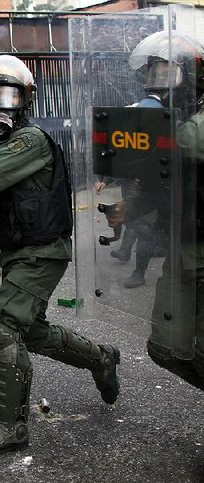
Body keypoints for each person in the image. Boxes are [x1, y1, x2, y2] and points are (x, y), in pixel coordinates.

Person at [0, 55, 120, 455]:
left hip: (42, 249)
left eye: (9, 95)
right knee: (31, 330)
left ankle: (12, 426)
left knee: (3, 321)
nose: (1, 103)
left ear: (25, 99)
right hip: (19, 248)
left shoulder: (28, 139)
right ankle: (101, 358)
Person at [106, 30, 204, 390]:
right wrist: (129, 206)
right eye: (153, 75)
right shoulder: (172, 123)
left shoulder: (191, 125)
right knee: (164, 346)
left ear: (191, 79)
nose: (158, 85)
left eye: (168, 74)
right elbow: (160, 179)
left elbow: (188, 141)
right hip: (181, 248)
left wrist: (147, 125)